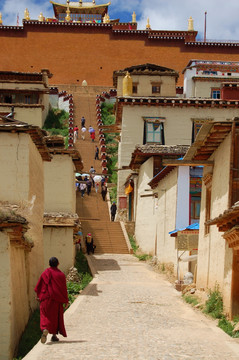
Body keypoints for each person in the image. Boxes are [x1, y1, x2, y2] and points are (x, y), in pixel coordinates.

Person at [34, 257, 69, 344]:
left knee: (44, 315)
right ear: (58, 264)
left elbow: (40, 285)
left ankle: (45, 329)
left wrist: (39, 296)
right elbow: (63, 289)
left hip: (46, 298)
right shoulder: (61, 275)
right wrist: (66, 301)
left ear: (49, 264)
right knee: (55, 317)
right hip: (57, 300)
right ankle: (54, 335)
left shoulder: (45, 272)